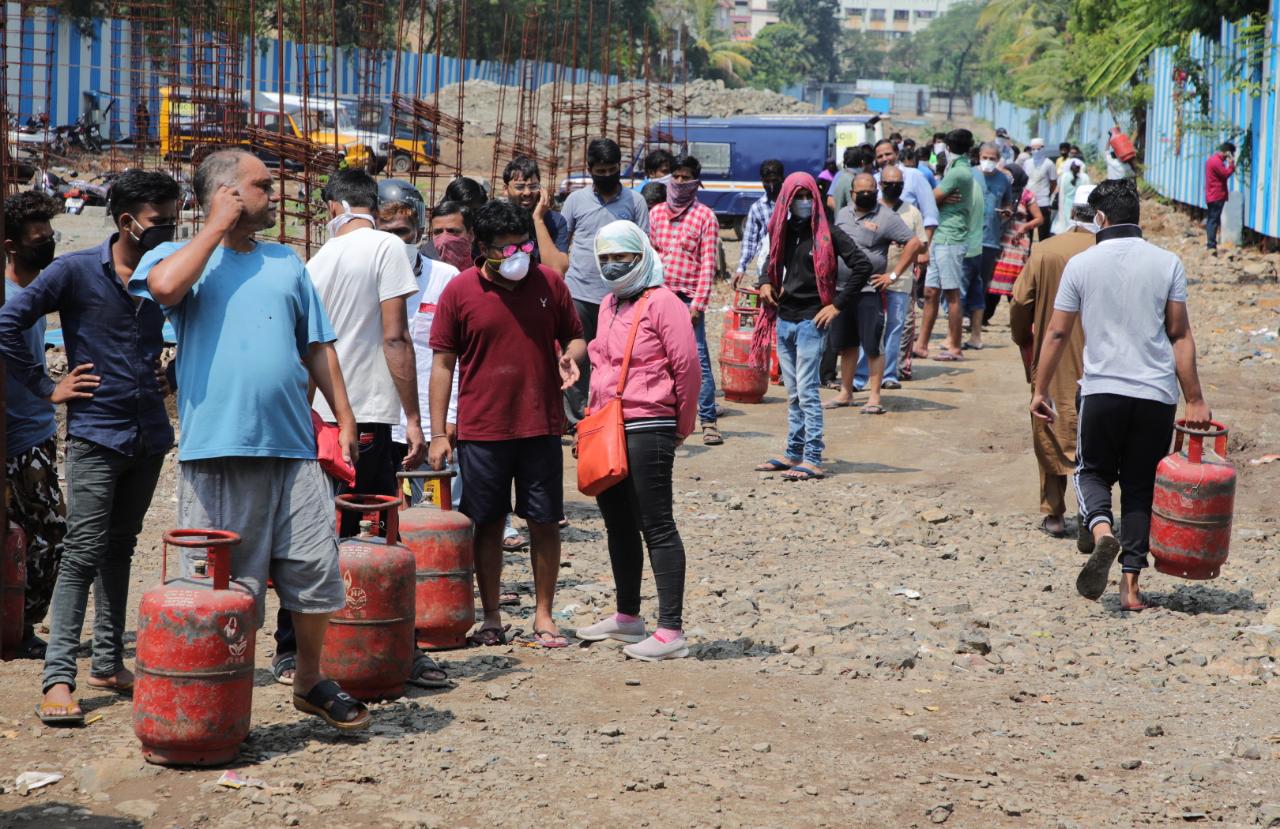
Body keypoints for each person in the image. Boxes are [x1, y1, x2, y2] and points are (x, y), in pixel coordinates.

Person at [132, 149, 369, 731]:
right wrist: (213, 226)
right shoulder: (178, 256)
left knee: (316, 568)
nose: (274, 193)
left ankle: (310, 680)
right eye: (261, 185)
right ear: (226, 194)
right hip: (217, 449)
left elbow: (317, 345)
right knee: (221, 585)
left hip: (293, 447)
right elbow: (161, 289)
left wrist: (343, 415)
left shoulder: (286, 263)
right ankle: (221, 699)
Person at [0, 172, 179, 723]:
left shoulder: (168, 277)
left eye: (175, 219)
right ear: (126, 222)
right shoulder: (74, 271)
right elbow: (8, 322)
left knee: (120, 547)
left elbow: (196, 328)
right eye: (159, 221)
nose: (169, 230)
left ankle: (107, 661)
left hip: (149, 435)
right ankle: (58, 678)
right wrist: (46, 388)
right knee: (81, 549)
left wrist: (174, 374)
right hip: (96, 433)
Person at [1030, 180, 1212, 611]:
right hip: (1156, 394)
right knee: (1139, 486)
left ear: (1100, 218)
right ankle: (1130, 587)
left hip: (1102, 391)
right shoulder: (1167, 263)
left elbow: (1057, 331)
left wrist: (1040, 389)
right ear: (1138, 217)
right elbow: (1180, 333)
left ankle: (1099, 531)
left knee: (1091, 472)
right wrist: (1195, 399)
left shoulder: (1083, 264)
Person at [427, 200, 585, 648]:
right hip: (482, 429)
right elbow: (442, 364)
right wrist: (441, 433)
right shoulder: (459, 292)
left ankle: (544, 616)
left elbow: (575, 335)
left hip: (540, 426)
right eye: (504, 249)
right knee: (488, 522)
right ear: (482, 248)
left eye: (522, 246)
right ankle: (492, 615)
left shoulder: (548, 283)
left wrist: (569, 357)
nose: (515, 255)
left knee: (544, 521)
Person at [575, 221, 699, 661]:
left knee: (656, 524)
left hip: (650, 424)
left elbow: (686, 366)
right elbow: (600, 363)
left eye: (620, 257)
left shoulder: (664, 302)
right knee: (619, 524)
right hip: (607, 426)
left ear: (641, 255)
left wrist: (681, 425)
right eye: (605, 258)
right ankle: (628, 617)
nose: (612, 266)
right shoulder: (609, 303)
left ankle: (671, 631)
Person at [375, 177, 458, 688]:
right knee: (377, 536)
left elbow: (453, 358)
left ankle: (422, 634)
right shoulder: (363, 270)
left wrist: (445, 425)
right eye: (389, 228)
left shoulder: (447, 278)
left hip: (433, 431)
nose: (399, 238)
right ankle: (376, 631)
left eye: (407, 230)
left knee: (428, 541)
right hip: (375, 426)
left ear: (422, 228)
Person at [750, 172, 872, 481]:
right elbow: (770, 264)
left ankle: (814, 456)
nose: (803, 202)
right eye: (797, 197)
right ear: (787, 201)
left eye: (808, 196)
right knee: (793, 392)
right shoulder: (781, 230)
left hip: (811, 320)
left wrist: (837, 304)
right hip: (784, 318)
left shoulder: (828, 233)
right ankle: (793, 453)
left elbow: (862, 266)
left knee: (806, 392)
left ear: (815, 199)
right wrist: (765, 283)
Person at [1009, 185, 1096, 540]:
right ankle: (1092, 511)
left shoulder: (1045, 251)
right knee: (1094, 433)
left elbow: (1019, 303)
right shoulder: (1109, 251)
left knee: (1049, 423)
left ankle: (1055, 513)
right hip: (1101, 356)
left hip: (1053, 356)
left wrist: (1024, 341)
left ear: (1073, 212)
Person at [0, 191, 65, 663]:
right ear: (11, 245)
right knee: (48, 531)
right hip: (17, 436)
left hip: (38, 432)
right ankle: (18, 627)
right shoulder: (7, 299)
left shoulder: (35, 293)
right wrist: (47, 388)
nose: (47, 245)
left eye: (50, 236)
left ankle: (19, 624)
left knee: (41, 532)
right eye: (38, 239)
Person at [561, 138, 649, 427]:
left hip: (621, 296)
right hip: (580, 291)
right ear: (590, 170)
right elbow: (563, 241)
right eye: (601, 170)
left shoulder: (635, 202)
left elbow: (644, 248)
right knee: (577, 357)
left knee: (617, 358)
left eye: (613, 169)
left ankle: (610, 415)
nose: (608, 175)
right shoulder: (575, 201)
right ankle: (577, 421)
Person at [827, 172, 920, 412]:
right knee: (846, 345)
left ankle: (875, 397)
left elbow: (914, 243)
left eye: (871, 191)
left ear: (876, 191)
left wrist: (893, 275)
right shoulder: (843, 213)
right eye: (862, 192)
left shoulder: (886, 217)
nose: (867, 195)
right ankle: (845, 393)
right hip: (842, 290)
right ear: (852, 193)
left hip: (869, 290)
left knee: (871, 344)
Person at [647, 154, 722, 446]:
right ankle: (664, 417)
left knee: (697, 359)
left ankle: (708, 421)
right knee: (659, 358)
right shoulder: (655, 215)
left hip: (689, 298)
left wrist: (698, 305)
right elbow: (651, 257)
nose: (679, 182)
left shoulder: (705, 217)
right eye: (675, 176)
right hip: (659, 296)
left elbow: (708, 266)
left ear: (696, 181)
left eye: (685, 177)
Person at [914, 128, 975, 362]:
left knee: (951, 294)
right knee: (930, 292)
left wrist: (935, 198)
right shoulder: (955, 169)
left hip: (951, 237)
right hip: (941, 236)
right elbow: (934, 198)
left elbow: (929, 198)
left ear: (948, 147)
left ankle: (955, 346)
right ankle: (921, 345)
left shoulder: (958, 172)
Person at [876, 164, 927, 387]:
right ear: (881, 185)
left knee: (895, 328)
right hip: (873, 279)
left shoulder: (912, 213)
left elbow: (922, 248)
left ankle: (889, 374)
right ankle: (862, 375)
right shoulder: (871, 210)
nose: (893, 187)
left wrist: (907, 245)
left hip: (901, 279)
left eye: (898, 184)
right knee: (870, 328)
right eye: (889, 184)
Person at [965, 142, 1012, 350]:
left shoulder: (1004, 180)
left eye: (993, 158)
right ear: (979, 156)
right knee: (961, 285)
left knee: (981, 286)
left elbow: (1008, 203)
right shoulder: (968, 175)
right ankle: (956, 330)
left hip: (990, 240)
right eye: (986, 157)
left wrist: (1006, 211)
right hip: (966, 238)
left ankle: (976, 334)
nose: (989, 161)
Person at [986, 164, 1044, 321]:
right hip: (999, 237)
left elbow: (1039, 218)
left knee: (1016, 279)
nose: (1006, 178)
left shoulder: (1026, 195)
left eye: (1009, 175)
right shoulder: (999, 190)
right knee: (993, 277)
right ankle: (985, 315)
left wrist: (1026, 226)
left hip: (1018, 241)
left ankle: (1019, 318)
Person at [502, 156, 569, 276]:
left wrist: (538, 220)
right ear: (506, 189)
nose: (527, 193)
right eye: (520, 187)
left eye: (533, 187)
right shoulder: (497, 219)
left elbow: (557, 271)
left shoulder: (555, 221)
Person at [735, 159, 785, 283]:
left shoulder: (791, 203)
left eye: (774, 181)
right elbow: (749, 241)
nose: (771, 185)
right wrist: (741, 268)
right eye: (767, 181)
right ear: (762, 181)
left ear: (782, 179)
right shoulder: (757, 208)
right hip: (765, 267)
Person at [426, 200, 476, 273]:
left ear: (470, 235)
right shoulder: (425, 275)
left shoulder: (484, 277)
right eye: (438, 232)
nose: (444, 240)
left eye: (452, 231)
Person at [1023, 138, 1057, 240]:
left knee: (1044, 234)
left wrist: (1047, 194)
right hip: (1028, 202)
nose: (1036, 151)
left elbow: (1053, 183)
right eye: (1033, 149)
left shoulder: (1049, 164)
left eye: (1038, 148)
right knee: (1027, 234)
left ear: (1043, 148)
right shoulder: (1027, 163)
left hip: (1043, 202)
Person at [1205, 141, 1236, 254]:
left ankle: (1211, 243)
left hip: (1211, 194)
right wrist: (1231, 164)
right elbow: (1225, 174)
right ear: (1227, 152)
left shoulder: (1211, 160)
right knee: (1213, 220)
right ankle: (1211, 245)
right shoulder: (1217, 162)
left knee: (1212, 220)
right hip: (1217, 195)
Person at [1050, 158, 1091, 235]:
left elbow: (1058, 190)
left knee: (1066, 222)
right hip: (1080, 204)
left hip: (1066, 203)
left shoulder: (1064, 177)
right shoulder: (1085, 177)